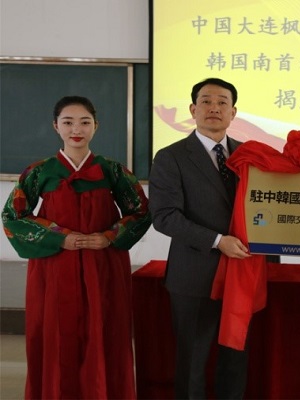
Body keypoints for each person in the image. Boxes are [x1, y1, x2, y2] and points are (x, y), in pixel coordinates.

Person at [2, 96, 151, 399]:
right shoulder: (39, 172)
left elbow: (141, 212)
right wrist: (59, 237)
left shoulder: (113, 171)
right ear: (55, 126)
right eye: (68, 122)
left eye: (84, 122)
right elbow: (13, 216)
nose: (76, 129)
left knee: (105, 330)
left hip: (103, 265)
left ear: (96, 126)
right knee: (55, 334)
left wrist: (109, 236)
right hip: (54, 266)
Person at [148, 77, 252, 399]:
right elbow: (165, 216)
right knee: (192, 361)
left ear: (233, 112)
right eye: (206, 101)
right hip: (194, 275)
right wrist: (217, 240)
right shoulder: (171, 157)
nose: (214, 108)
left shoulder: (250, 157)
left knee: (235, 361)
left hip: (242, 274)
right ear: (193, 110)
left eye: (222, 102)